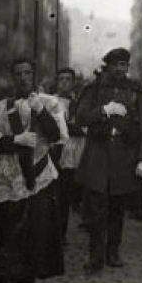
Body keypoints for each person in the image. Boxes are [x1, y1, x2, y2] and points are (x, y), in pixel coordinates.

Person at [0, 58, 68, 283]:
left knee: (34, 235)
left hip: (39, 179)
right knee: (8, 235)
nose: (23, 77)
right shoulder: (1, 107)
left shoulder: (49, 102)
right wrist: (14, 141)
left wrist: (40, 110)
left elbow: (57, 136)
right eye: (18, 73)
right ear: (12, 77)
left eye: (27, 73)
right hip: (9, 182)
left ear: (34, 75)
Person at [75, 48, 142, 275]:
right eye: (116, 65)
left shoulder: (136, 91)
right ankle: (96, 257)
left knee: (117, 210)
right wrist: (104, 110)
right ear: (108, 66)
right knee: (96, 211)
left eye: (124, 65)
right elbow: (80, 116)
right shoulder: (94, 89)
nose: (120, 69)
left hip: (124, 159)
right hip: (98, 157)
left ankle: (113, 252)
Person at [53, 67, 85, 243]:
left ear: (73, 83)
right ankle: (54, 233)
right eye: (61, 79)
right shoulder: (50, 102)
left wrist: (69, 126)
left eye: (67, 79)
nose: (64, 82)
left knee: (66, 196)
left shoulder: (77, 103)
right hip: (54, 154)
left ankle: (61, 233)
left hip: (72, 155)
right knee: (54, 196)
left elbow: (83, 127)